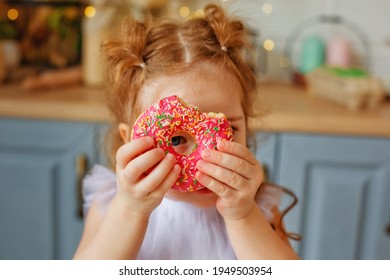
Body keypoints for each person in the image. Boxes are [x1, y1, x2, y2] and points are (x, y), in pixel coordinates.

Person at [73, 4, 300, 260]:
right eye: (177, 139)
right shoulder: (111, 204)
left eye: (227, 130)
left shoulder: (259, 207)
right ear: (129, 140)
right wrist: (129, 211)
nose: (206, 158)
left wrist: (244, 217)